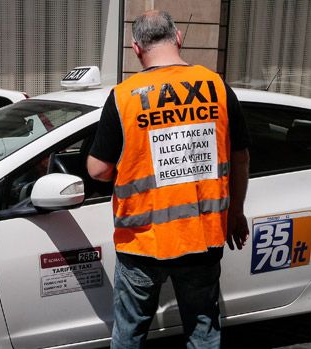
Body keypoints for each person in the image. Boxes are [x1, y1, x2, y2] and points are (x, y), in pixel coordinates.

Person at [86, 10, 250, 348]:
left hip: (142, 240)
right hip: (202, 235)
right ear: (178, 38)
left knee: (130, 334)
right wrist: (235, 213)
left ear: (135, 48)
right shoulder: (217, 86)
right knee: (203, 331)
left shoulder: (124, 96)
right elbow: (240, 156)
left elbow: (98, 171)